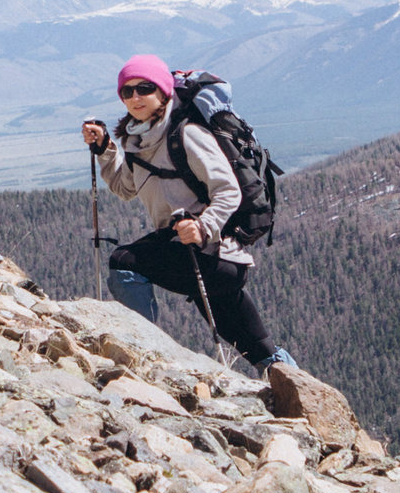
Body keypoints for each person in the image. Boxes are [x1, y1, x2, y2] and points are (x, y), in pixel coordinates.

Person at [82, 53, 299, 373]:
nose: (135, 97)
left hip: (212, 253)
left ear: (163, 91)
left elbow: (228, 190)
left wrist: (202, 226)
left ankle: (144, 354)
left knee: (123, 262)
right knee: (256, 347)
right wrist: (105, 150)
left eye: (144, 88)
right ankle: (299, 391)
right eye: (127, 92)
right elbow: (126, 187)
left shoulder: (187, 133)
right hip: (196, 254)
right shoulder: (136, 138)